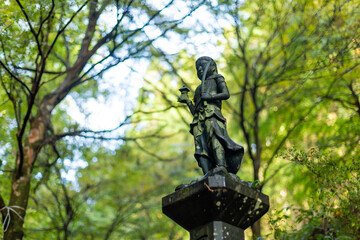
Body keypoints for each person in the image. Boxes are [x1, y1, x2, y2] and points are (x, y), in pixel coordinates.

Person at [178, 56, 244, 175]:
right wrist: (188, 102)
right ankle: (206, 172)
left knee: (215, 137)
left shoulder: (217, 78)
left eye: (202, 66)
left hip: (213, 114)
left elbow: (226, 94)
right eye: (197, 68)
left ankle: (221, 165)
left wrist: (210, 97)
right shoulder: (198, 89)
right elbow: (196, 111)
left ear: (212, 67)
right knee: (200, 146)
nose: (200, 70)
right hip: (199, 120)